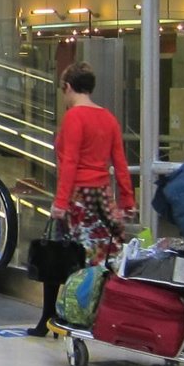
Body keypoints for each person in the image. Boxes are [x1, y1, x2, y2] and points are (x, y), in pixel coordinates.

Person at [28, 61, 135, 337]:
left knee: (58, 255)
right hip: (102, 197)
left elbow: (70, 163)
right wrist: (127, 201)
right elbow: (120, 163)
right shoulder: (109, 118)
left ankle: (50, 317)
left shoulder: (74, 117)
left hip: (76, 198)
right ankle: (92, 315)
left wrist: (60, 202)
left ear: (68, 87)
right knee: (99, 258)